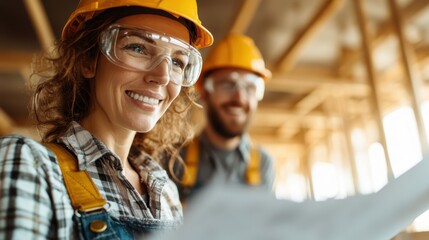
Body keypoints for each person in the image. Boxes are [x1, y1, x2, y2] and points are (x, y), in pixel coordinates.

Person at [0, 0, 213, 239]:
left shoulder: (166, 194)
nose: (162, 76)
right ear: (88, 59)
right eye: (138, 48)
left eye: (177, 62)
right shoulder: (32, 165)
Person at [176, 33, 275, 203]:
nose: (240, 98)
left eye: (251, 87)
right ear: (205, 92)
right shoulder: (175, 159)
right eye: (227, 84)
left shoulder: (263, 164)